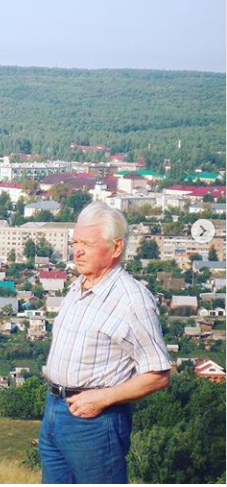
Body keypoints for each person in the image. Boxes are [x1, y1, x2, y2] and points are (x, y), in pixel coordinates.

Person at [39, 202, 171, 484]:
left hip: (95, 421)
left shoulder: (131, 300)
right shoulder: (77, 287)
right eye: (75, 242)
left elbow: (158, 375)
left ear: (115, 248)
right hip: (55, 409)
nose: (77, 251)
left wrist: (99, 400)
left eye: (87, 244)